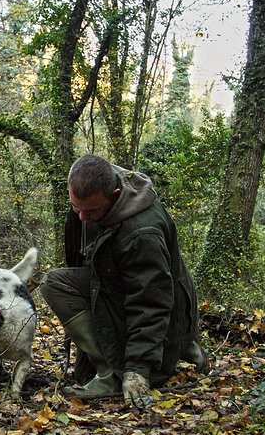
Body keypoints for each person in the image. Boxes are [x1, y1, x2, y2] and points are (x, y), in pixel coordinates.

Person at [40, 154, 208, 408]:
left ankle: (112, 373)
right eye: (76, 207)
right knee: (56, 283)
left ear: (115, 194)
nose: (82, 217)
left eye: (92, 210)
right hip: (116, 285)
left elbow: (151, 301)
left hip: (162, 304)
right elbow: (91, 263)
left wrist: (136, 369)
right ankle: (181, 346)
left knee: (55, 283)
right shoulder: (90, 196)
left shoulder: (141, 232)